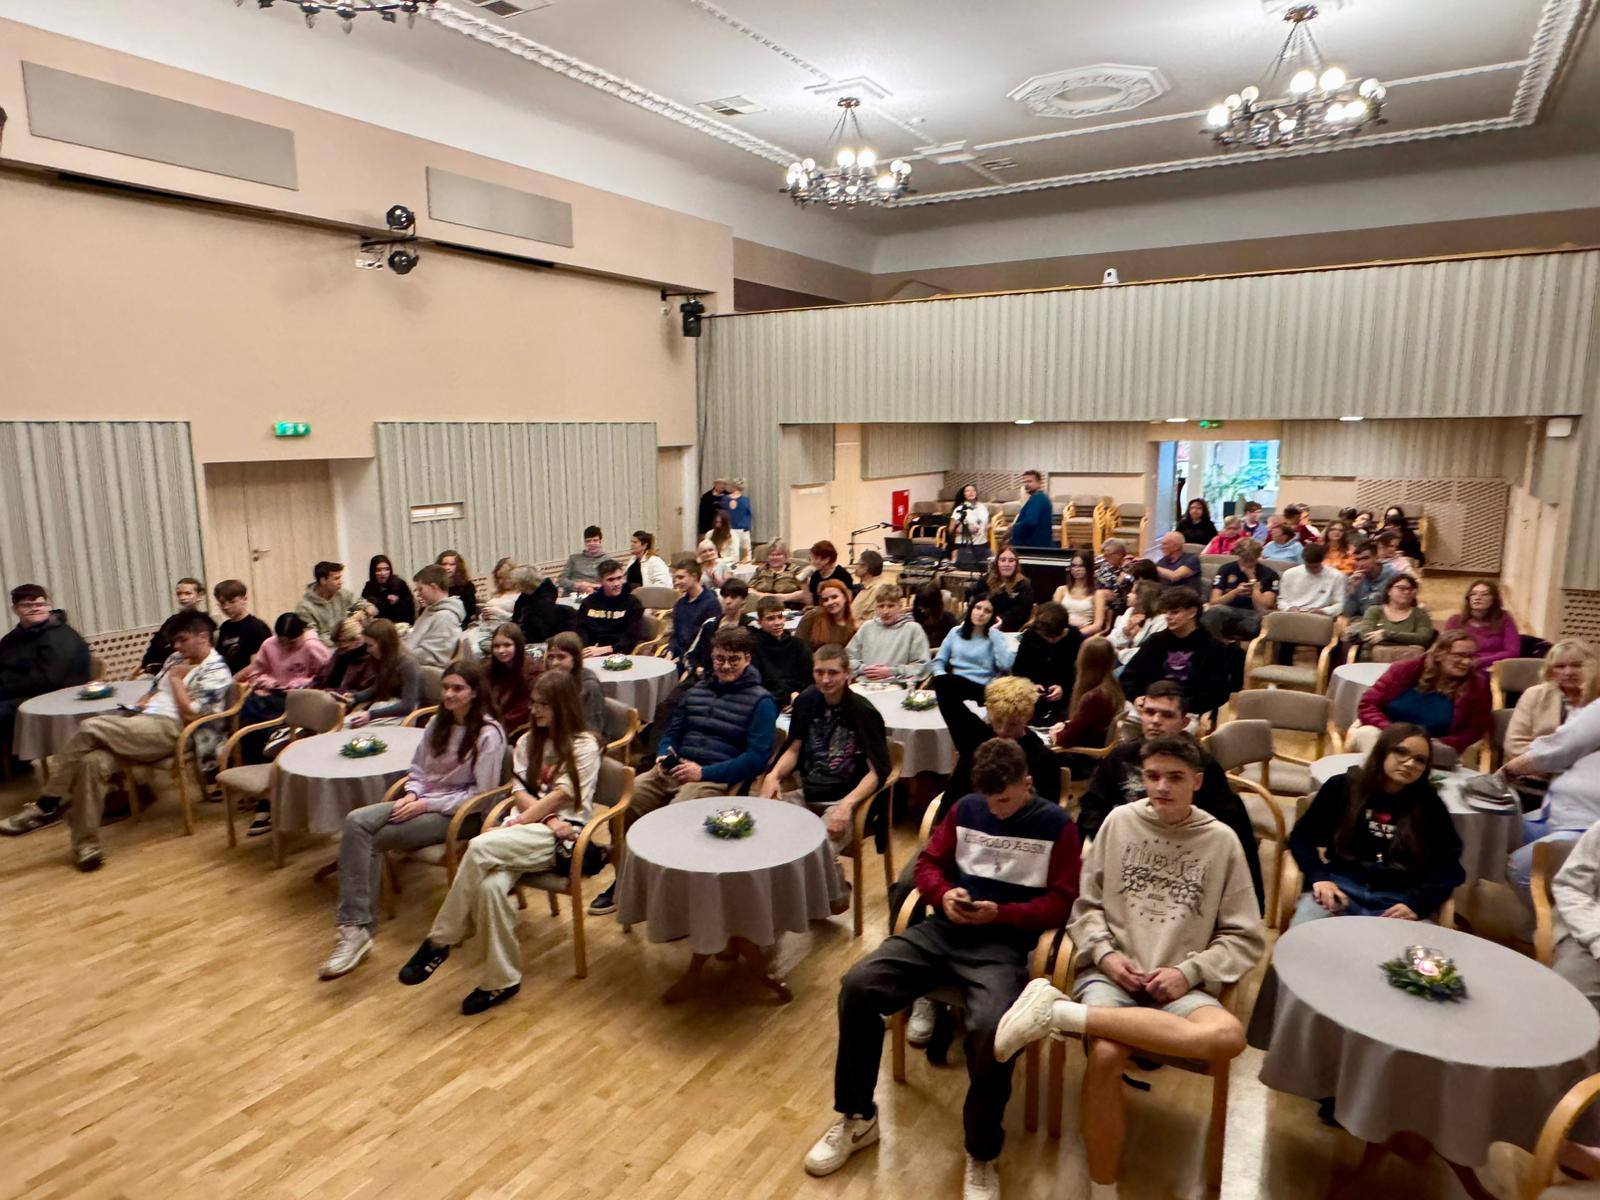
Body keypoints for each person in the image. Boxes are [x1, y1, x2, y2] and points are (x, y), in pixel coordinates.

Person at [991, 736, 1265, 1200]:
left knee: (1228, 1037)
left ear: (1197, 782)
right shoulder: (1118, 822)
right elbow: (1085, 906)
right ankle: (1103, 1188)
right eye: (1152, 777)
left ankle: (1057, 1014)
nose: (1162, 787)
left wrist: (1188, 972)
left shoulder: (1222, 841)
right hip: (1111, 974)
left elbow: (1245, 936)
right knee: (1105, 1056)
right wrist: (1106, 956)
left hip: (1180, 982)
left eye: (1175, 777)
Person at [804, 739, 1080, 1199]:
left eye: (1005, 800)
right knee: (858, 985)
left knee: (991, 1031)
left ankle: (982, 1152)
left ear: (1026, 783)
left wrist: (1003, 914)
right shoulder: (968, 808)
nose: (996, 810)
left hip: (1003, 946)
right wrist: (943, 894)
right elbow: (929, 863)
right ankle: (858, 1117)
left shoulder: (1056, 826)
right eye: (989, 801)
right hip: (945, 932)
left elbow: (1062, 903)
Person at [397, 670, 600, 1015]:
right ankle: (502, 980)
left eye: (543, 705)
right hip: (533, 827)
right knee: (490, 887)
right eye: (533, 703)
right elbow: (519, 792)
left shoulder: (584, 745)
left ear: (563, 706)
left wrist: (533, 821)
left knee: (478, 847)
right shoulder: (526, 742)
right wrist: (540, 819)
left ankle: (440, 940)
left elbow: (562, 796)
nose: (534, 710)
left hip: (565, 836)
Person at [318, 660, 507, 979]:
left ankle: (357, 932)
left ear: (475, 693)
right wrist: (412, 794)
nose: (449, 694)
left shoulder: (490, 733)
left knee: (370, 838)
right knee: (356, 822)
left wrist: (426, 804)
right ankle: (355, 929)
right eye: (445, 687)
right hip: (424, 802)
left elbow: (482, 796)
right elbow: (418, 770)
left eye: (458, 688)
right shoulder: (437, 723)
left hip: (464, 815)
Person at [1, 611, 233, 869]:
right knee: (92, 762)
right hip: (144, 723)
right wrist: (141, 705)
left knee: (90, 726)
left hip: (174, 731)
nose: (176, 646)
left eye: (182, 640)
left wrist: (177, 680)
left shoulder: (216, 670)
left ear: (203, 637)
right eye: (175, 642)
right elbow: (155, 689)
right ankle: (86, 845)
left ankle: (47, 803)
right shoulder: (177, 658)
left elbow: (191, 714)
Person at [586, 628, 777, 922]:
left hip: (713, 778)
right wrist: (664, 752)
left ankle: (673, 894)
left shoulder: (761, 702)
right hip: (673, 769)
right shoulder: (696, 691)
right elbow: (672, 732)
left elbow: (756, 759)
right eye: (720, 659)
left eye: (734, 659)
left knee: (673, 820)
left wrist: (703, 772)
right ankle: (627, 881)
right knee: (623, 805)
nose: (726, 666)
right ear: (712, 657)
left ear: (747, 659)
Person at [1077, 682, 1264, 905]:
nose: (1155, 721)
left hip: (1183, 859)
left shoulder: (1202, 765)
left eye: (1166, 715)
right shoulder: (1121, 757)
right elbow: (1093, 805)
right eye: (1149, 712)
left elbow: (1226, 825)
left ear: (1184, 723)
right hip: (1128, 850)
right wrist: (1114, 838)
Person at [1286, 724, 1464, 924]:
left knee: (1421, 945)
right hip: (1339, 887)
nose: (1409, 763)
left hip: (1398, 900)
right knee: (1303, 934)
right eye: (1401, 752)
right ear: (1382, 751)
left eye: (1420, 760)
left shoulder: (1428, 802)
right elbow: (1301, 837)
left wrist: (1417, 903)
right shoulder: (1343, 787)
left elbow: (1449, 864)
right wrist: (1319, 877)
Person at [759, 642, 889, 907]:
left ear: (847, 674)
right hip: (809, 790)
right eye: (819, 672)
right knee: (765, 830)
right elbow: (794, 748)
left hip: (846, 797)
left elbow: (877, 772)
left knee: (815, 848)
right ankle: (799, 897)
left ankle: (834, 896)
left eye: (832, 673)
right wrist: (773, 776)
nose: (825, 679)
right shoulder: (807, 701)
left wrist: (847, 806)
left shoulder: (863, 712)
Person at [935, 675, 1061, 809]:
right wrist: (997, 695)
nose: (1003, 730)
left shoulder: (1042, 757)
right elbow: (943, 683)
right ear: (988, 710)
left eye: (1012, 724)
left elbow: (1045, 811)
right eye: (998, 720)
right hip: (959, 817)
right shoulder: (974, 735)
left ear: (1027, 717)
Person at [0, 583, 91, 769]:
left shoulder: (61, 636)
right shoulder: (14, 638)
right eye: (27, 605)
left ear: (48, 606)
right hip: (19, 691)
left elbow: (49, 679)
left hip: (55, 696)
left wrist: (3, 687)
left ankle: (15, 765)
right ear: (15, 609)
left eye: (40, 604)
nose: (35, 608)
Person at [1353, 634, 1490, 753]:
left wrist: (1433, 743)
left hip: (1431, 748)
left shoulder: (1477, 686)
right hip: (1385, 735)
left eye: (1471, 656)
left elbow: (1475, 729)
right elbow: (1368, 705)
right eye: (1459, 655)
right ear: (1439, 654)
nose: (1466, 662)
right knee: (1367, 734)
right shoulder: (1405, 670)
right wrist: (1391, 731)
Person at [233, 612, 332, 762]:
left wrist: (300, 683)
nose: (286, 646)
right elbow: (256, 673)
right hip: (272, 691)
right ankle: (255, 760)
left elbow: (327, 676)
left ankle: (278, 735)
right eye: (281, 642)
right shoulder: (269, 644)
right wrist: (268, 683)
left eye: (291, 643)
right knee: (249, 709)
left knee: (268, 714)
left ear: (302, 634)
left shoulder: (312, 646)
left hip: (300, 696)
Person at [1119, 588, 1230, 718]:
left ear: (1192, 612)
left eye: (1175, 612)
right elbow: (1128, 677)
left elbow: (1216, 692)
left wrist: (1179, 706)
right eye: (1166, 612)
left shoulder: (1213, 648)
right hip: (1148, 707)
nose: (1168, 617)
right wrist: (1135, 697)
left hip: (1188, 712)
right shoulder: (1155, 642)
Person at [1505, 640, 1600, 758]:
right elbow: (1514, 745)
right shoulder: (1534, 695)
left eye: (1577, 665)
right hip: (1538, 766)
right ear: (1550, 671)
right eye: (1560, 666)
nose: (1568, 672)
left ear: (1593, 667)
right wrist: (1556, 761)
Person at [343, 618, 422, 727]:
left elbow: (407, 706)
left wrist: (371, 715)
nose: (367, 650)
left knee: (357, 729)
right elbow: (378, 687)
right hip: (386, 705)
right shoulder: (384, 659)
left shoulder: (408, 663)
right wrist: (354, 697)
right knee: (345, 724)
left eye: (370, 645)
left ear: (384, 644)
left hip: (402, 712)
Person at [1050, 636, 1122, 756]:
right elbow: (1084, 725)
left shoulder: (1095, 697)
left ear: (1084, 661)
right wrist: (1066, 726)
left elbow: (1065, 740)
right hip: (1089, 744)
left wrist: (1057, 734)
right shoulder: (1112, 685)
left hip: (1082, 756)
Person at [1013, 601, 1082, 725]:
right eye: (1046, 637)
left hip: (1067, 697)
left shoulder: (1075, 637)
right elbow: (1018, 670)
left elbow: (1081, 673)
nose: (1051, 642)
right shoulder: (1030, 636)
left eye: (1055, 638)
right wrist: (1030, 685)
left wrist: (1064, 688)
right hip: (1033, 696)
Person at [931, 596, 1014, 696]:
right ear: (971, 609)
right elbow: (939, 661)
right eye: (978, 608)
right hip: (954, 685)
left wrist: (994, 634)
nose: (981, 613)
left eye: (987, 611)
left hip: (983, 689)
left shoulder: (996, 636)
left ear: (993, 616)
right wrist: (941, 675)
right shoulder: (955, 632)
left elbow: (1005, 665)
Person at [849, 584, 932, 683]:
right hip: (864, 684)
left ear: (900, 606)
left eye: (891, 606)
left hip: (897, 685)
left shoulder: (913, 629)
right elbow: (848, 657)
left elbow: (923, 666)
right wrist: (863, 669)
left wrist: (892, 671)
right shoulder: (867, 627)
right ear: (876, 608)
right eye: (881, 606)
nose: (885, 611)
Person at [1201, 538, 1278, 641]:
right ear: (1238, 556)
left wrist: (1253, 583)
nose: (1247, 564)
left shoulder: (1269, 574)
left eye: (1251, 560)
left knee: (1261, 621)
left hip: (1253, 613)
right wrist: (1235, 592)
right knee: (1214, 611)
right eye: (1244, 560)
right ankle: (1218, 644)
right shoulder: (1226, 569)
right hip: (1228, 609)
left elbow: (1262, 608)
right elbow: (1214, 602)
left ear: (1257, 557)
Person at [1444, 579, 1521, 675]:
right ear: (1468, 598)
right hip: (1461, 665)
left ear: (1493, 600)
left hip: (1493, 667)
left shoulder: (1504, 619)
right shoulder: (1455, 620)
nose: (1478, 597)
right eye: (1474, 594)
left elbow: (1512, 652)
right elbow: (1444, 648)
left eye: (1484, 594)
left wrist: (1481, 661)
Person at [684, 577, 753, 682]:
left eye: (733, 597)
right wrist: (696, 667)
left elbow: (756, 661)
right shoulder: (709, 624)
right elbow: (692, 654)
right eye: (724, 596)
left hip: (739, 680)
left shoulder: (751, 627)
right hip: (705, 678)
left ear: (743, 600)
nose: (727, 601)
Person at [1352, 574, 1434, 661]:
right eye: (1401, 588)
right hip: (1372, 660)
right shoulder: (1374, 610)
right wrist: (1407, 643)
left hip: (1407, 662)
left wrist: (1386, 635)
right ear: (1389, 591)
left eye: (1410, 589)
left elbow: (1423, 638)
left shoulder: (1420, 614)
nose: (1407, 592)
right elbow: (1366, 636)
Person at [575, 559, 646, 657]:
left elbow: (631, 637)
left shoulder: (633, 603)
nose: (617, 584)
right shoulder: (589, 602)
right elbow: (581, 630)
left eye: (619, 578)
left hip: (619, 653)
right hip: (590, 652)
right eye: (610, 580)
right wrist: (586, 649)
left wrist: (606, 649)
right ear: (600, 581)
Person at [751, 596, 813, 708]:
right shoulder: (753, 647)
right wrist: (787, 698)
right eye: (770, 619)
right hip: (768, 703)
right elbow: (756, 685)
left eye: (780, 617)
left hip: (800, 701)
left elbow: (810, 679)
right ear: (759, 622)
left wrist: (800, 698)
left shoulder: (798, 645)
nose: (777, 622)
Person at [404, 565, 466, 669]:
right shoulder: (431, 609)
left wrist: (399, 654)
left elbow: (433, 655)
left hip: (424, 671)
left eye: (421, 589)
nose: (418, 594)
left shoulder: (446, 617)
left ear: (433, 587)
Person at [543, 631, 606, 734]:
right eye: (551, 657)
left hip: (581, 740)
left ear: (575, 659)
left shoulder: (589, 686)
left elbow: (592, 731)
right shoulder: (551, 681)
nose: (554, 663)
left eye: (561, 657)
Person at [139, 577, 207, 672]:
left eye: (188, 593)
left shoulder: (204, 622)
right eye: (179, 594)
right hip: (160, 669)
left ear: (199, 595)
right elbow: (155, 645)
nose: (182, 597)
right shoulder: (172, 621)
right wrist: (146, 667)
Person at [663, 555, 720, 663]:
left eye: (681, 577)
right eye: (675, 578)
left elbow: (708, 642)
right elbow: (676, 635)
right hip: (677, 656)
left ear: (694, 576)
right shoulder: (680, 604)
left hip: (697, 660)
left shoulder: (711, 604)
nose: (676, 582)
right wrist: (670, 651)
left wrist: (681, 659)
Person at [295, 561, 365, 646]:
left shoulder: (343, 594)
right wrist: (342, 641)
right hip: (326, 649)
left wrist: (359, 614)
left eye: (340, 578)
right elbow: (313, 639)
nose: (340, 582)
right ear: (323, 580)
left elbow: (367, 607)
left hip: (350, 644)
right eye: (336, 578)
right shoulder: (304, 607)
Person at [484, 622, 536, 732]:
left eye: (507, 645)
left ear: (518, 645)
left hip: (518, 727)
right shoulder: (487, 669)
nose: (501, 651)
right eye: (496, 646)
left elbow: (527, 707)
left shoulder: (532, 672)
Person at [213, 580, 270, 675]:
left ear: (244, 599)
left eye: (231, 602)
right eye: (222, 603)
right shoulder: (225, 627)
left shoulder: (257, 627)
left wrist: (233, 680)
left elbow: (256, 665)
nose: (226, 607)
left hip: (250, 680)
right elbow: (219, 659)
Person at [973, 546, 1035, 632]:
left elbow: (1023, 612)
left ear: (1016, 564)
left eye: (1011, 561)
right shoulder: (985, 580)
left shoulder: (1024, 585)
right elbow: (975, 602)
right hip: (983, 625)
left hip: (1011, 629)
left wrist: (1001, 621)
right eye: (1003, 560)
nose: (1007, 564)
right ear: (997, 563)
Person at [1277, 542, 1344, 616]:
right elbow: (1282, 600)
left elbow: (1340, 604)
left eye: (1315, 567)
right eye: (1308, 566)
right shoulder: (1289, 574)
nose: (1312, 570)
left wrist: (1324, 611)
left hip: (1320, 615)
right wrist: (1289, 608)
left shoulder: (1336, 576)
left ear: (1322, 560)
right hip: (1293, 613)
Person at [1052, 549, 1109, 635]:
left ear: (1088, 568)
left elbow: (1097, 625)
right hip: (1061, 632)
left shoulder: (1098, 594)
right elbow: (1053, 616)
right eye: (1074, 566)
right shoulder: (1061, 590)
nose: (1076, 569)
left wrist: (1075, 634)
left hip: (1083, 634)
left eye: (1081, 566)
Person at [510, 565, 566, 646]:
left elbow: (537, 631)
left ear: (525, 584)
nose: (514, 586)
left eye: (516, 584)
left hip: (537, 640)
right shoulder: (526, 596)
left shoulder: (543, 602)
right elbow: (516, 617)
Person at [798, 578, 858, 651]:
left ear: (845, 597)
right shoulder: (812, 617)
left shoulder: (853, 627)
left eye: (834, 597)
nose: (830, 602)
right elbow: (798, 648)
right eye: (825, 600)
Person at [1341, 542, 1395, 619]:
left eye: (1365, 558)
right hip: (1362, 621)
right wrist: (1351, 591)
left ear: (1376, 557)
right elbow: (1347, 613)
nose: (1361, 564)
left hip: (1387, 620)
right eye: (1357, 560)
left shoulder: (1395, 577)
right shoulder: (1357, 579)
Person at [361, 554, 415, 625]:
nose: (383, 573)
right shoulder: (369, 586)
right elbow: (363, 605)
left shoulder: (399, 584)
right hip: (377, 625)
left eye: (387, 569)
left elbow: (410, 609)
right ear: (373, 572)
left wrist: (397, 602)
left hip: (399, 623)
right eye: (378, 570)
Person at [748, 539, 806, 605]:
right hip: (762, 606)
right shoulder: (761, 570)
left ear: (786, 556)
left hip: (789, 606)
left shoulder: (795, 570)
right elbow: (749, 589)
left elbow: (805, 592)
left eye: (778, 554)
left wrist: (783, 597)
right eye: (771, 555)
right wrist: (764, 596)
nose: (775, 557)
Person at [802, 540, 856, 607]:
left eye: (815, 559)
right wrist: (804, 583)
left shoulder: (842, 574)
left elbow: (848, 601)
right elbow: (810, 603)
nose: (812, 562)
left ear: (826, 559)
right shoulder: (815, 575)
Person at [1093, 539, 1138, 620]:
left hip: (1124, 611)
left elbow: (1132, 590)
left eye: (1108, 555)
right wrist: (1098, 593)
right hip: (1101, 608)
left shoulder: (1131, 568)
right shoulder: (1100, 568)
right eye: (1104, 554)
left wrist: (1119, 584)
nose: (1105, 558)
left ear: (1119, 554)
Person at [1009, 469, 1053, 548]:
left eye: (1030, 481)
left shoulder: (1037, 498)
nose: (1026, 484)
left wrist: (1013, 527)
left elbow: (1030, 522)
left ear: (1039, 483)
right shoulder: (1041, 497)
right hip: (1038, 545)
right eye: (1025, 482)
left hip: (1032, 546)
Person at [434, 550, 479, 626]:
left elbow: (471, 612)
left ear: (458, 566)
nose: (447, 567)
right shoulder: (434, 586)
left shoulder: (467, 586)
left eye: (452, 564)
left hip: (460, 624)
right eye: (444, 564)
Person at [559, 528, 609, 596]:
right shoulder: (573, 559)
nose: (592, 544)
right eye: (588, 541)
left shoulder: (607, 561)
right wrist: (578, 585)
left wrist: (590, 585)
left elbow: (611, 582)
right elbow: (561, 580)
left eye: (595, 540)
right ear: (585, 543)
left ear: (600, 541)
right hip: (572, 595)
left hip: (596, 595)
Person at [911, 582, 957, 650]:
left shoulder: (949, 621)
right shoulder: (913, 619)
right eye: (920, 606)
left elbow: (953, 646)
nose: (922, 610)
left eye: (927, 607)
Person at [948, 483, 990, 551]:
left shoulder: (982, 507)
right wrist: (967, 530)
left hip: (982, 543)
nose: (971, 492)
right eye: (967, 491)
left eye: (973, 490)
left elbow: (986, 522)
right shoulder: (960, 509)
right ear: (963, 495)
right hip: (965, 544)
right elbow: (951, 530)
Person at [480, 557, 521, 626]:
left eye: (505, 578)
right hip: (487, 625)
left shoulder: (521, 594)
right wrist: (483, 616)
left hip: (506, 627)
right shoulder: (495, 593)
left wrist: (498, 613)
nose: (501, 582)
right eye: (499, 578)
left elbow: (521, 619)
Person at [850, 551, 888, 622]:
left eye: (857, 564)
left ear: (865, 568)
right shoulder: (867, 586)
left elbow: (874, 621)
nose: (855, 567)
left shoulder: (878, 589)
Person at [723, 478, 754, 563]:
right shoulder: (744, 500)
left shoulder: (726, 499)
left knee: (740, 551)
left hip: (738, 528)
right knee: (739, 552)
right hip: (736, 528)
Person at [697, 477, 729, 541]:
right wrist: (702, 532)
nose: (722, 486)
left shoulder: (729, 496)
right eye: (720, 484)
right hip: (709, 527)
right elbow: (702, 515)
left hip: (724, 527)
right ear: (715, 484)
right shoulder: (706, 496)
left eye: (724, 484)